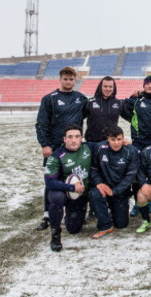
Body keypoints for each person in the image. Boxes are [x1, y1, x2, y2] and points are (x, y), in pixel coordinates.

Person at [35, 66, 87, 231]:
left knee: (77, 176)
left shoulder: (81, 98)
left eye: (71, 79)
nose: (68, 82)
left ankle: (80, 209)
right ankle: (47, 215)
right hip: (56, 147)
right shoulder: (49, 99)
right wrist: (45, 144)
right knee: (52, 181)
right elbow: (41, 124)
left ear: (75, 80)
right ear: (60, 79)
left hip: (75, 147)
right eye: (65, 79)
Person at [43, 124, 92, 251]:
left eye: (76, 137)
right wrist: (71, 187)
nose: (73, 140)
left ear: (81, 138)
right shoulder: (56, 156)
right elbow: (49, 182)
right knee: (56, 196)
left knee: (73, 229)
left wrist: (125, 142)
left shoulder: (88, 148)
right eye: (70, 137)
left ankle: (75, 213)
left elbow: (107, 143)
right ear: (64, 139)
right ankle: (55, 234)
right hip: (66, 193)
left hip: (82, 195)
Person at [89, 126, 139, 238]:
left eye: (119, 139)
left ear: (123, 139)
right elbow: (93, 169)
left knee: (121, 224)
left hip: (120, 191)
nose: (116, 143)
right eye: (113, 140)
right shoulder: (99, 148)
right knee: (94, 193)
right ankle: (105, 224)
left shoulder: (131, 151)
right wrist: (99, 183)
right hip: (104, 188)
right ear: (108, 139)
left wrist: (115, 191)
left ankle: (115, 208)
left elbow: (130, 176)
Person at [121, 75, 151, 151]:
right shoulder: (136, 99)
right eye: (147, 84)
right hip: (139, 139)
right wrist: (131, 119)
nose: (149, 86)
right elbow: (121, 105)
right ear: (144, 86)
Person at [83, 76, 121, 142]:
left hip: (110, 142)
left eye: (110, 87)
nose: (108, 89)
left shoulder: (118, 103)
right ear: (100, 87)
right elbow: (78, 118)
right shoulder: (90, 102)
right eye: (105, 86)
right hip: (92, 142)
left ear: (114, 88)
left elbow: (131, 117)